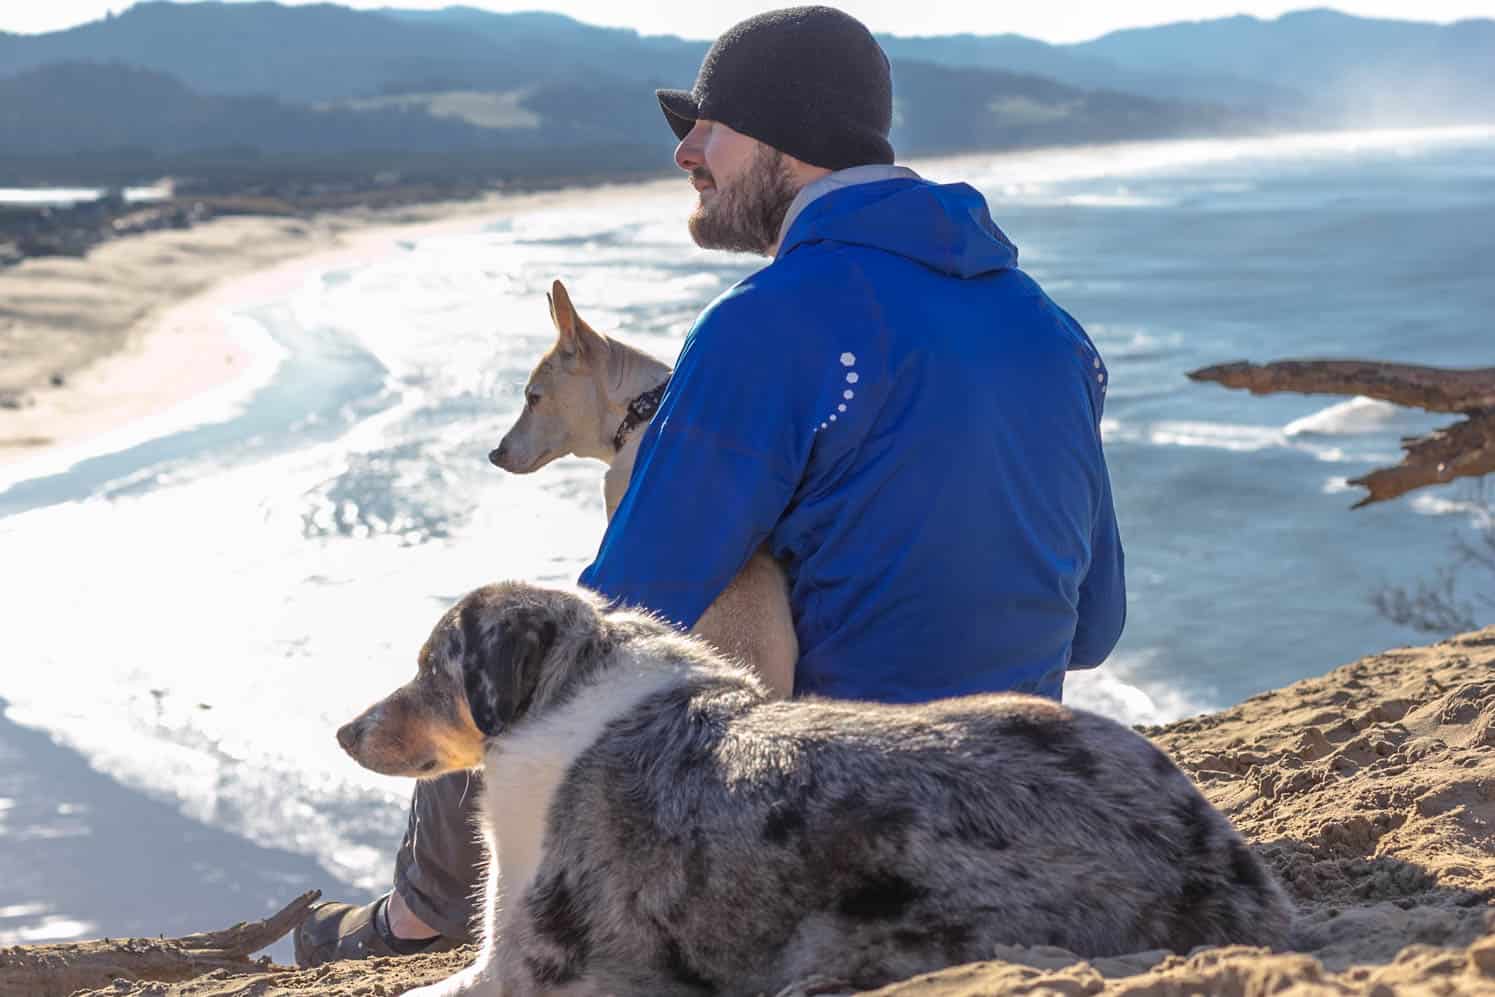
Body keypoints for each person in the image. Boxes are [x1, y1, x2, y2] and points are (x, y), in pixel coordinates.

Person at [295, 4, 1125, 965]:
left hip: (821, 828)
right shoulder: (1054, 332)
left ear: (790, 135)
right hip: (1013, 807)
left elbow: (621, 612)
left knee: (521, 641)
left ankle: (421, 915)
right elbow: (1093, 627)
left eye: (707, 125)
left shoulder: (770, 323)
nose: (685, 150)